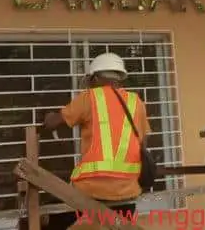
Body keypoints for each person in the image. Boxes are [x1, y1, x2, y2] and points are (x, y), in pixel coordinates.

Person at [38, 52, 151, 230]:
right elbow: (143, 143)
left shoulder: (89, 97)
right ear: (120, 77)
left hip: (91, 188)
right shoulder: (136, 102)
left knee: (49, 221)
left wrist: (48, 116)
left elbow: (53, 123)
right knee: (121, 226)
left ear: (96, 77)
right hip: (127, 189)